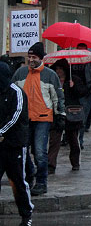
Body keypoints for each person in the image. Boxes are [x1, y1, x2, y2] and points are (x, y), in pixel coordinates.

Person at [11, 42, 64, 196]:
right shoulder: (20, 73)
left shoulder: (49, 75)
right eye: (29, 56)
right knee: (23, 150)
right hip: (24, 119)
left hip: (43, 118)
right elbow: (12, 92)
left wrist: (60, 115)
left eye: (34, 57)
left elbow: (57, 97)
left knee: (40, 152)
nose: (31, 59)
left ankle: (41, 182)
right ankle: (30, 174)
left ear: (41, 58)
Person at [0, 59, 34, 226]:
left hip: (15, 144)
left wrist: (1, 131)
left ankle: (26, 214)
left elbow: (16, 115)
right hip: (0, 145)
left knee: (18, 180)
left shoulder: (17, 92)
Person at [47, 60, 82, 172]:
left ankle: (75, 162)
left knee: (73, 141)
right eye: (57, 69)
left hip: (71, 114)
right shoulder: (52, 81)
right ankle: (51, 164)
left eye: (61, 69)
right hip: (57, 113)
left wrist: (74, 87)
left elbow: (83, 92)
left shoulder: (73, 79)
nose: (59, 71)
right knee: (54, 140)